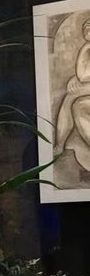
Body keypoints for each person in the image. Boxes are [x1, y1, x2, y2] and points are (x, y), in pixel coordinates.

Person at [53, 15, 90, 176]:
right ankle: (60, 145)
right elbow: (84, 74)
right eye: (86, 27)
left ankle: (59, 145)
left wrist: (80, 82)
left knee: (69, 99)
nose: (87, 29)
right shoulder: (87, 48)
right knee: (77, 107)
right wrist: (74, 79)